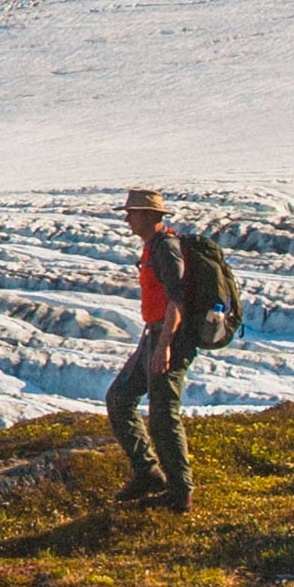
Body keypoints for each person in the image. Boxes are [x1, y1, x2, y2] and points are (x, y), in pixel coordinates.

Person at [108, 187, 194, 512]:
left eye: (132, 213)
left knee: (162, 414)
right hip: (153, 334)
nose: (128, 219)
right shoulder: (151, 247)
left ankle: (180, 492)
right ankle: (148, 473)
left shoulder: (165, 248)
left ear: (148, 215)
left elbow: (177, 298)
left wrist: (165, 346)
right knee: (119, 399)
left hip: (168, 338)